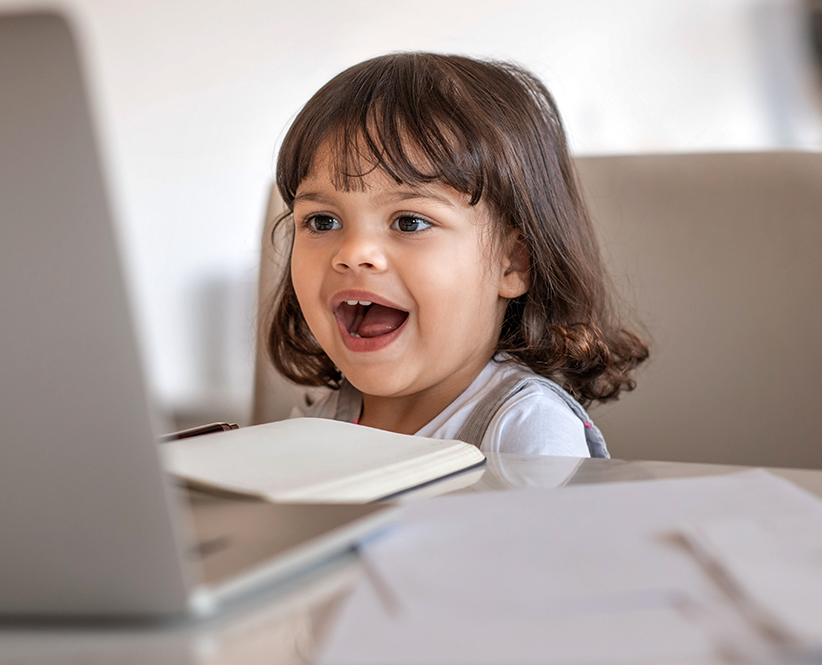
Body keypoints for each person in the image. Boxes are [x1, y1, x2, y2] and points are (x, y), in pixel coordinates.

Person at [265, 53, 647, 457]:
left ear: (515, 262)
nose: (354, 253)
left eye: (409, 222)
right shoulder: (316, 429)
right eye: (323, 222)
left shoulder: (528, 430)